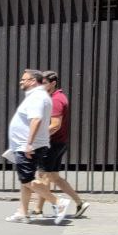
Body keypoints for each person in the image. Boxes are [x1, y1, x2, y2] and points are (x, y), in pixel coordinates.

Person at [6, 69, 67, 224]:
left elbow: (36, 120)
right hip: (28, 145)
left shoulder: (37, 98)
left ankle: (59, 203)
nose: (21, 82)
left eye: (24, 79)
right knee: (25, 179)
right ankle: (22, 212)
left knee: (26, 180)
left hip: (29, 146)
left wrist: (29, 144)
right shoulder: (38, 96)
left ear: (33, 81)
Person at [29, 71, 88, 219]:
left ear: (53, 82)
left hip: (52, 144)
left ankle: (38, 210)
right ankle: (80, 203)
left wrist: (37, 137)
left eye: (44, 83)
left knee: (43, 177)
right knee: (54, 177)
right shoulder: (57, 97)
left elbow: (55, 125)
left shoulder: (55, 100)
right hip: (59, 143)